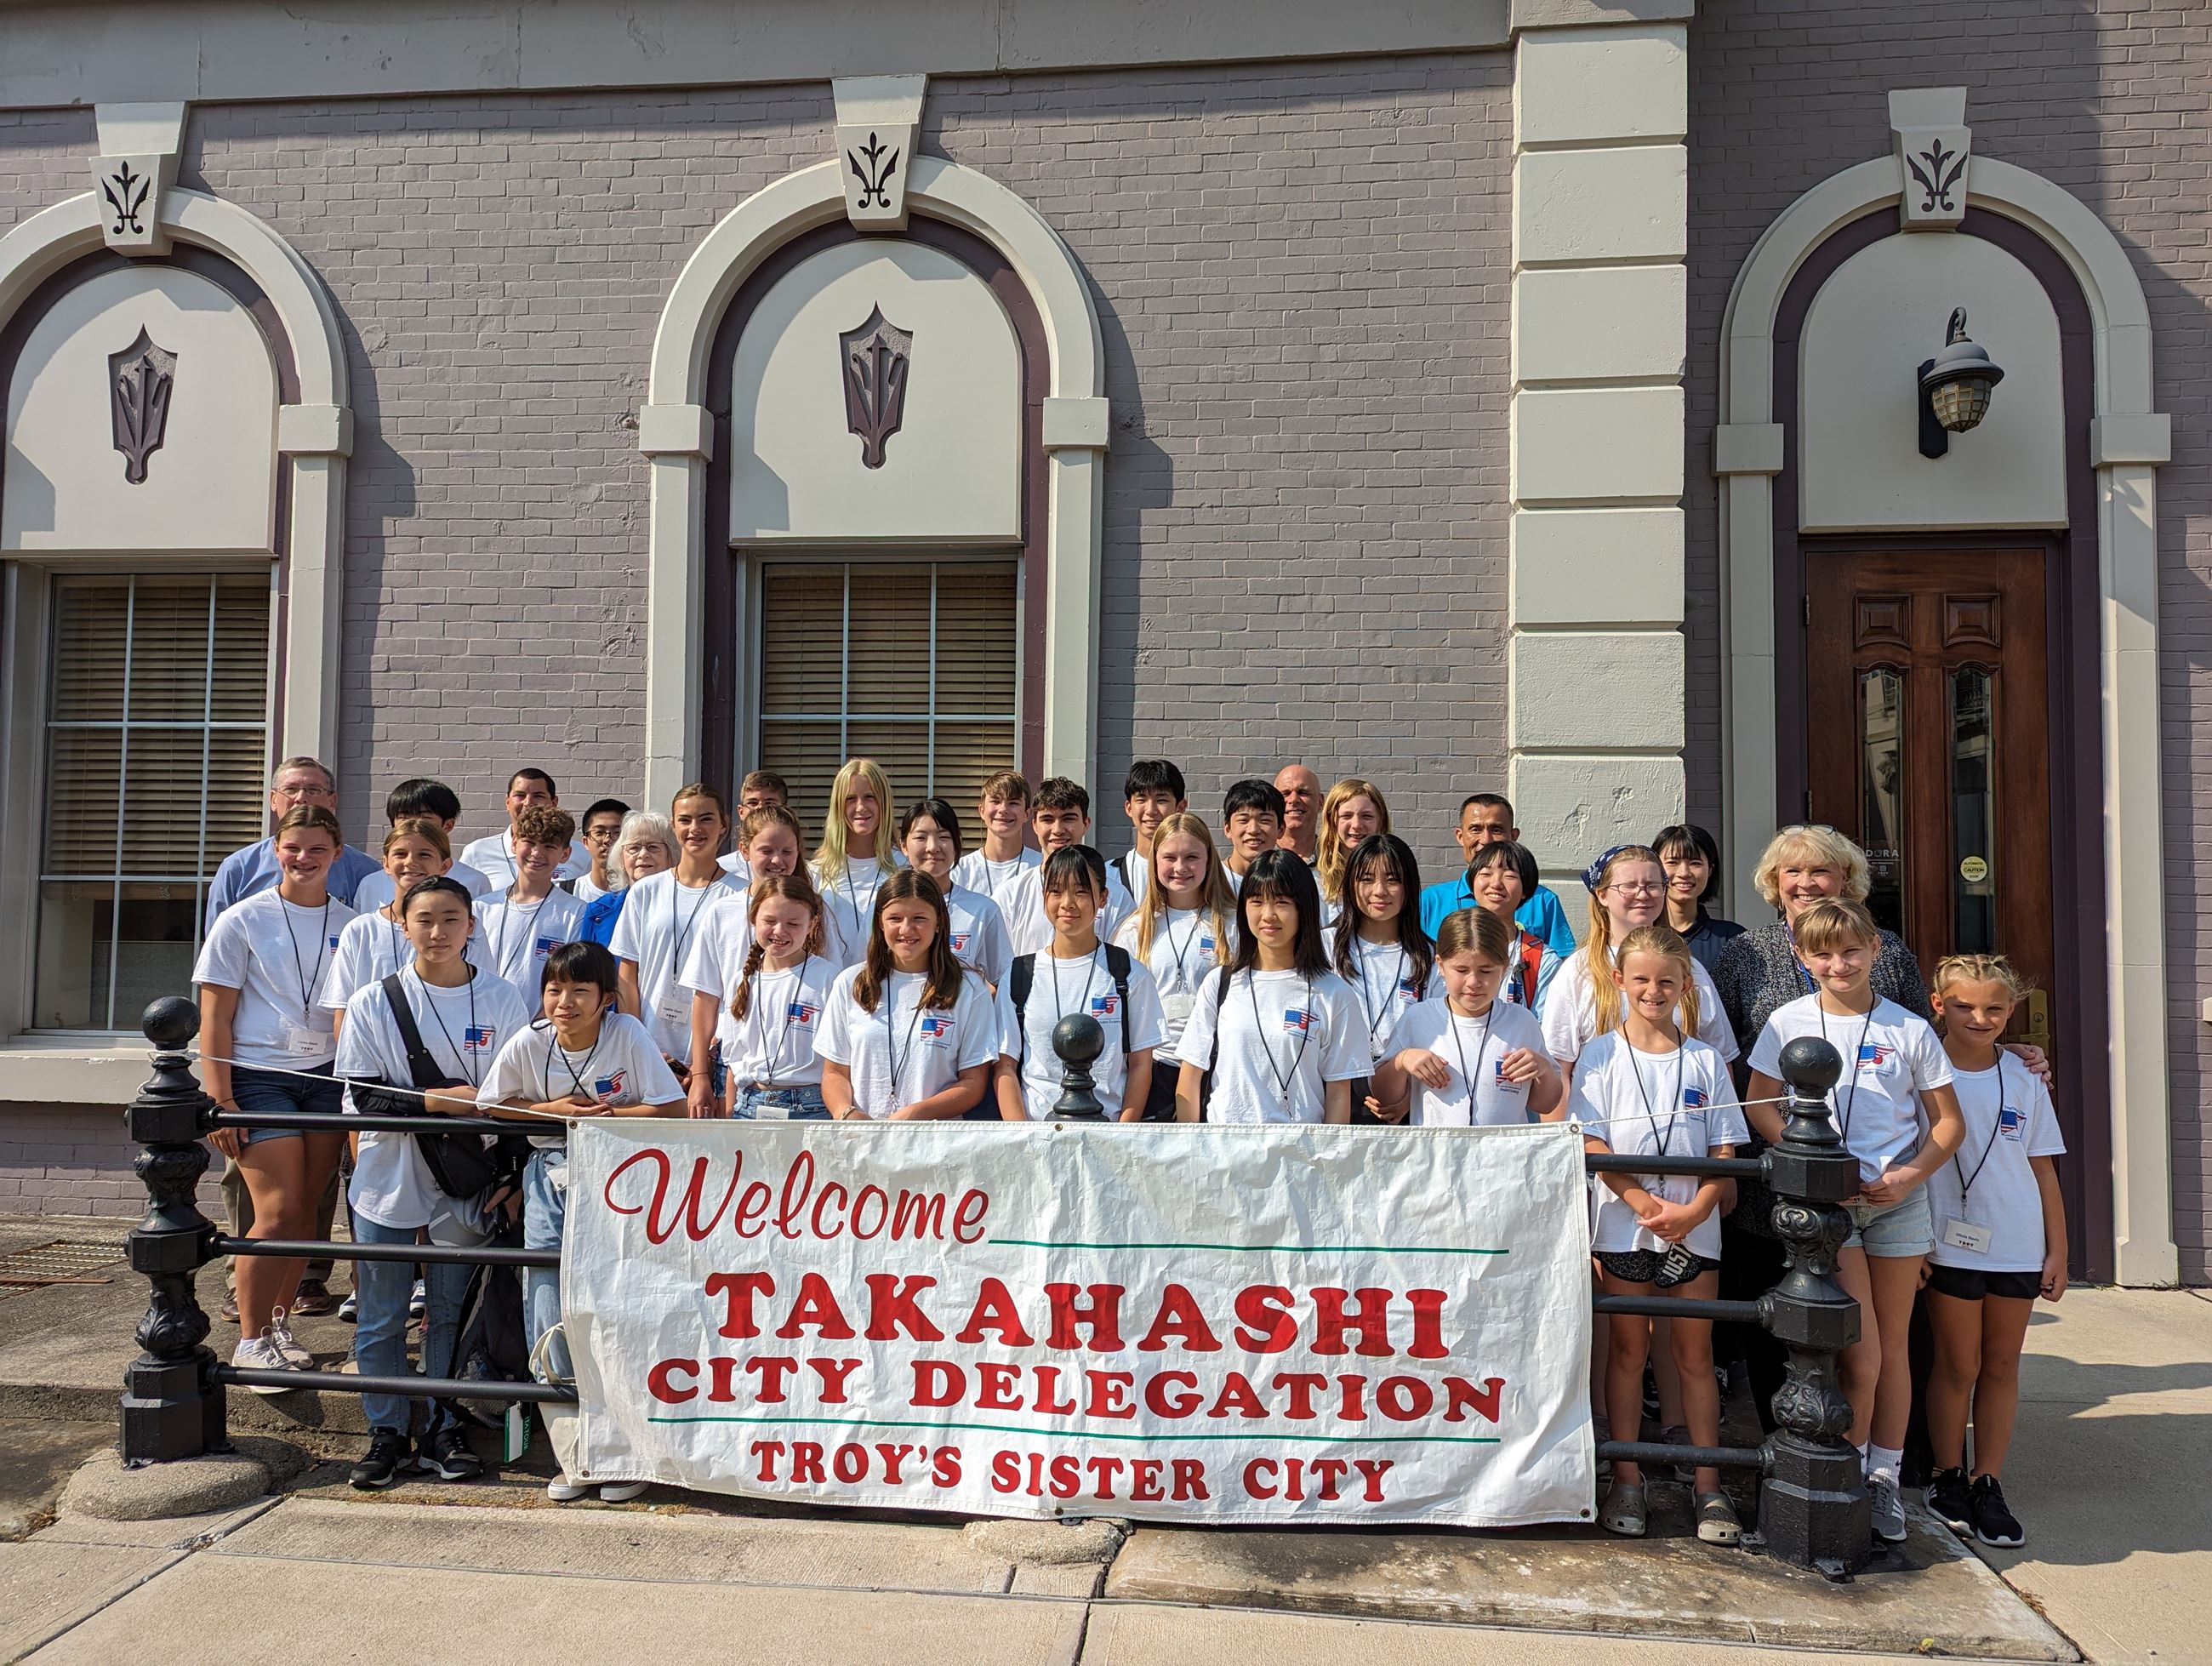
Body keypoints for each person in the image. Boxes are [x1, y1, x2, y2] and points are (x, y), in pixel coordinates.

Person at [1744, 898, 1965, 1546]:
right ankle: (1845, 1468)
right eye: (1822, 953)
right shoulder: (1787, 1021)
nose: (1837, 964)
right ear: (1801, 958)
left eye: (1850, 951)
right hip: (1830, 1210)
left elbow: (1947, 1123)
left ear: (1874, 949)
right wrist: (1809, 1166)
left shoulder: (1909, 1028)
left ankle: (1884, 1479)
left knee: (1892, 1349)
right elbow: (1759, 1103)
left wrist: (1909, 1175)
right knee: (1859, 1354)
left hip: (1895, 1200)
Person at [334, 876, 531, 1489]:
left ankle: (444, 1427)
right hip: (388, 1171)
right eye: (425, 919)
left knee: (449, 1310)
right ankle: (386, 1431)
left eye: (452, 918)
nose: (439, 931)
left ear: (472, 926)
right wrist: (441, 1102)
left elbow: (520, 1099)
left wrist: (512, 1172)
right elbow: (364, 1097)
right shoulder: (373, 1001)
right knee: (382, 1314)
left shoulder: (503, 1000)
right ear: (402, 924)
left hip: (471, 1177)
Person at [479, 940, 683, 1503]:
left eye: (579, 991)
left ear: (605, 1000)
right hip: (548, 1177)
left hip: (620, 1179)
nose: (564, 1002)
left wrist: (604, 1119)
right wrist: (554, 1113)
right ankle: (575, 1455)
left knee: (617, 1306)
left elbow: (671, 1107)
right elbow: (491, 1103)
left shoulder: (629, 1035)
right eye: (554, 989)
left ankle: (626, 1451)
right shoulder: (530, 1039)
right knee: (547, 1304)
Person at [1574, 922, 1750, 1546]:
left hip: (1693, 1231)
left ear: (1684, 986)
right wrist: (1641, 1198)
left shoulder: (1703, 1058)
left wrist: (1698, 1207)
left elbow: (1726, 1146)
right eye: (1642, 979)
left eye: (1666, 982)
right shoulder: (1600, 1054)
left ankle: (1709, 1485)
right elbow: (1591, 1140)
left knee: (1693, 1356)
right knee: (1627, 1352)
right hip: (1624, 1225)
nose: (1654, 991)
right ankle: (1627, 1478)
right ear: (1620, 981)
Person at [192, 804, 356, 1385]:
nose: (304, 859)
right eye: (293, 848)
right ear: (275, 851)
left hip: (326, 1077)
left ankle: (279, 1326)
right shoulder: (242, 919)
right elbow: (214, 1015)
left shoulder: (353, 923)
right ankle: (251, 1339)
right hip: (259, 1075)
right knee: (277, 1210)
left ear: (336, 855)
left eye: (317, 849)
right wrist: (221, 1099)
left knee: (308, 1216)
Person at [1920, 953, 2067, 1549]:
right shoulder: (1920, 1070)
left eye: (1994, 1008)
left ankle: (1989, 1480)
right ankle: (1946, 1473)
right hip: (1945, 1241)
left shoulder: (2027, 1076)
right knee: (1959, 1364)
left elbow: (2043, 1169)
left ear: (2012, 1012)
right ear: (1939, 1005)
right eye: (1963, 1006)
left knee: (2003, 1365)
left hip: (2016, 1242)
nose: (1979, 1017)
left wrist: (2057, 1249)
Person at [1174, 850, 1364, 1124]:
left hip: (1299, 1156)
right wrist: (1190, 1150)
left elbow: (1338, 1093)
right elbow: (1190, 1075)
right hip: (1223, 1155)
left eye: (1282, 902)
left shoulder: (1334, 993)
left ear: (1304, 908)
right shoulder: (1220, 983)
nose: (1268, 914)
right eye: (1257, 901)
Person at [995, 845, 1166, 1122]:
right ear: (1044, 897)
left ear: (1102, 898)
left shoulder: (1128, 974)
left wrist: (1122, 1134)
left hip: (1107, 1131)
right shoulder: (1019, 975)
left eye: (1081, 891)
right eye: (1057, 891)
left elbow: (1140, 1064)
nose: (1068, 903)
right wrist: (1022, 1136)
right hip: (1037, 1134)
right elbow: (1005, 1066)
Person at [1542, 845, 1736, 1083]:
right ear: (1602, 895)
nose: (1643, 895)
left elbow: (1720, 1062)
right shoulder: (1578, 971)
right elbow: (1557, 1069)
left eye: (1652, 886)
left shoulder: (1689, 968)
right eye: (1629, 886)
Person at [816, 871, 997, 1121]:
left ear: (939, 923)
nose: (906, 929)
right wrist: (846, 1112)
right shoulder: (850, 983)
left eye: (919, 918)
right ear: (880, 922)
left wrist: (915, 1115)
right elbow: (834, 1072)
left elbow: (973, 1082)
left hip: (935, 1144)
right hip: (862, 1143)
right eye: (895, 918)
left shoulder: (969, 988)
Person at [1371, 908, 1560, 1127]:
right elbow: (1384, 1095)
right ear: (1441, 965)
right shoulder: (1418, 1018)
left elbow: (1546, 1104)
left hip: (1504, 1158)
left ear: (1504, 968)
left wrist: (1543, 1070)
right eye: (1461, 970)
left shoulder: (1521, 1021)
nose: (1473, 982)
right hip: (1436, 1157)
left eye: (1486, 971)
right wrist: (1402, 1061)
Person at [1115, 812, 1238, 1122]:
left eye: (1192, 857)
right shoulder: (1135, 929)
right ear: (1154, 862)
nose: (1180, 868)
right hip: (1152, 1069)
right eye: (1169, 857)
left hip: (1215, 1066)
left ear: (1209, 860)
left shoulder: (1232, 924)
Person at [612, 783, 741, 1074]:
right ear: (674, 826)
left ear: (724, 825)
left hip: (714, 1053)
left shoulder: (741, 895)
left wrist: (707, 1056)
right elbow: (628, 974)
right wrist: (638, 1041)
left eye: (706, 818)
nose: (695, 828)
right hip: (649, 1048)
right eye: (685, 820)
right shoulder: (646, 891)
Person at [696, 873, 839, 1121]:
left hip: (811, 1107)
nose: (780, 931)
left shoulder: (829, 979)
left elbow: (838, 1061)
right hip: (749, 1104)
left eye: (793, 924)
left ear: (812, 924)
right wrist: (729, 1114)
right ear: (754, 919)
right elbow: (733, 1058)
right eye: (769, 921)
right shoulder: (742, 979)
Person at [204, 755, 383, 933]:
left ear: (332, 801)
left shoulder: (364, 871)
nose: (301, 798)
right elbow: (218, 945)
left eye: (313, 790)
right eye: (291, 789)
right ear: (273, 799)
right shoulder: (239, 869)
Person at [322, 819, 485, 1010]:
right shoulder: (361, 930)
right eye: (400, 854)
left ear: (445, 865)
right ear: (386, 864)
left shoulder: (464, 927)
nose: (410, 862)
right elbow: (342, 1009)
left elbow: (483, 992)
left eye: (424, 854)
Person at [1329, 832, 1431, 1120]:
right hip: (1337, 1086)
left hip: (1406, 1089)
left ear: (1409, 886)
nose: (1380, 891)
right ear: (1350, 885)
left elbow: (1440, 1034)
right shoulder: (1324, 947)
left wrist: (1410, 1098)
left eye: (1393, 879)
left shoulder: (1430, 957)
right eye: (1366, 879)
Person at [1416, 793, 1576, 956]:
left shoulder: (1542, 900)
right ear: (1460, 836)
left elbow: (1562, 967)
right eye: (1476, 829)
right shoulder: (1429, 902)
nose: (1486, 840)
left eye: (1496, 830)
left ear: (1513, 837)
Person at [999, 778, 1135, 957]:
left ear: (1086, 823)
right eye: (1048, 819)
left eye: (1068, 819)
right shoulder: (1010, 895)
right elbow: (997, 970)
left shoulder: (1116, 896)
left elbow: (1127, 960)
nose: (1058, 829)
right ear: (1035, 826)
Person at [899, 798, 1012, 989]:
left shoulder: (983, 911)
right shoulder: (887, 908)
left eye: (943, 837)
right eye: (921, 837)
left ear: (957, 842)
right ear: (904, 846)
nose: (933, 847)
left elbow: (1004, 980)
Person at [472, 807, 584, 991]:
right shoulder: (482, 907)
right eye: (530, 842)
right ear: (514, 844)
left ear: (565, 854)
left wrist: (539, 1021)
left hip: (540, 1020)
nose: (537, 853)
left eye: (549, 846)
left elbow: (569, 981)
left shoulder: (575, 913)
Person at [349, 779, 493, 911]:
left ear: (448, 825)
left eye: (426, 818)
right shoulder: (371, 884)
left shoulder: (474, 882)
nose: (415, 825)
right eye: (404, 818)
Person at [1464, 841, 1563, 1018]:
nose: (1496, 883)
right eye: (1486, 873)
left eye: (1509, 876)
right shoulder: (1451, 946)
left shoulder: (1542, 960)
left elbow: (1545, 1029)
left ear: (1526, 889)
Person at [812, 758, 899, 956]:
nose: (860, 807)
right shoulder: (816, 873)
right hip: (829, 985)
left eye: (870, 797)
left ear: (884, 802)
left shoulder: (904, 869)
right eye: (850, 798)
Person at [459, 769, 589, 889]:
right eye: (520, 795)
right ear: (507, 802)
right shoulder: (477, 852)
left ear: (553, 803)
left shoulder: (582, 855)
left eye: (538, 796)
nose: (528, 803)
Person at [1653, 823, 1743, 978]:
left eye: (1695, 863)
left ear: (1710, 870)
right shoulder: (1640, 935)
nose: (1684, 873)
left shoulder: (1733, 939)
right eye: (1672, 862)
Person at [950, 770, 1040, 921]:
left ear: (1027, 813)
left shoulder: (1041, 866)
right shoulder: (959, 872)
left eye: (1013, 803)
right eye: (996, 801)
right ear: (982, 811)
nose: (1003, 809)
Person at [579, 811, 676, 948]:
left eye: (653, 847)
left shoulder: (683, 906)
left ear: (670, 855)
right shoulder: (596, 911)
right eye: (634, 848)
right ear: (621, 857)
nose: (643, 854)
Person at [1115, 760, 1188, 904]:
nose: (1150, 811)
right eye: (1141, 800)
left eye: (1161, 800)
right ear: (1129, 808)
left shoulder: (1194, 874)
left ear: (1181, 807)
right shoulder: (1108, 876)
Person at [717, 770, 790, 883]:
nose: (760, 809)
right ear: (741, 812)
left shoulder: (802, 871)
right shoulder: (721, 870)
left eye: (769, 803)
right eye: (753, 803)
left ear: (785, 809)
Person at [1221, 779, 1286, 885]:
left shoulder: (1291, 883)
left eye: (1265, 820)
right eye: (1243, 821)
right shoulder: (1211, 880)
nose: (1253, 830)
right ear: (1228, 829)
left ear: (1281, 829)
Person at [568, 798, 632, 904]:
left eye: (617, 832)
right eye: (599, 833)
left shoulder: (640, 893)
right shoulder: (570, 892)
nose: (607, 840)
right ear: (586, 842)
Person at [1273, 764, 1321, 864]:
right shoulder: (1257, 860)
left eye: (1303, 792)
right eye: (1285, 793)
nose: (1294, 799)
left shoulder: (1338, 861)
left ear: (1320, 802)